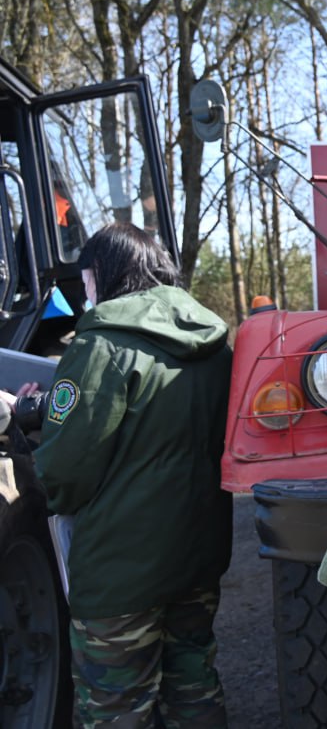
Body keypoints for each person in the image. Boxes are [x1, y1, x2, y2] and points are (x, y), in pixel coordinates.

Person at [0, 222, 232, 727]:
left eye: (84, 280)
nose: (84, 294)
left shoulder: (100, 346)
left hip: (120, 573)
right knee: (194, 688)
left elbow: (66, 469)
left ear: (104, 273)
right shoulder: (215, 342)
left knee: (116, 708)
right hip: (196, 558)